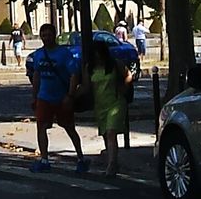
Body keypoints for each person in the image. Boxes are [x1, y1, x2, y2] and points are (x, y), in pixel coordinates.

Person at [25, 22, 88, 173]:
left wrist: (70, 95)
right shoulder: (39, 54)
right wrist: (34, 96)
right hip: (44, 97)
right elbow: (37, 76)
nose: (46, 38)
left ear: (54, 36)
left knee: (69, 127)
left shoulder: (64, 54)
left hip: (61, 97)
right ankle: (44, 159)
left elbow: (74, 74)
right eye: (43, 35)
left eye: (49, 35)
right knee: (41, 127)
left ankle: (81, 158)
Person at [89, 38, 133, 178]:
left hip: (115, 102)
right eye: (95, 54)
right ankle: (112, 159)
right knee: (105, 134)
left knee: (111, 132)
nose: (98, 57)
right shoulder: (89, 68)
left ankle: (112, 164)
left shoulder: (114, 64)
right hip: (100, 104)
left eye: (99, 54)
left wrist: (123, 87)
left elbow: (128, 75)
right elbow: (85, 86)